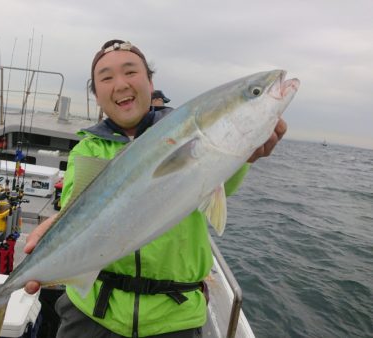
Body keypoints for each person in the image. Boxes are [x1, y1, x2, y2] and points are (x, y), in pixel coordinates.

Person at [24, 39, 288, 337]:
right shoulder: (87, 149)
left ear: (150, 82)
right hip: (92, 315)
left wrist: (247, 155)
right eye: (106, 78)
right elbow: (76, 210)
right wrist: (53, 234)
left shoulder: (187, 134)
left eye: (130, 72)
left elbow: (221, 184)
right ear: (97, 96)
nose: (120, 84)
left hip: (174, 319)